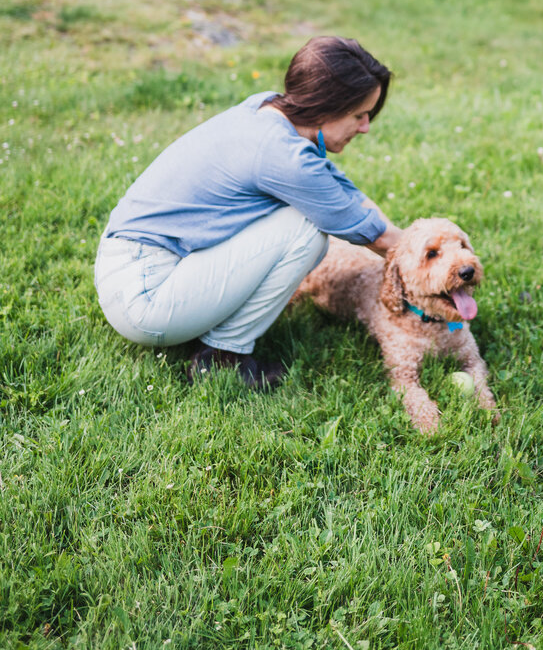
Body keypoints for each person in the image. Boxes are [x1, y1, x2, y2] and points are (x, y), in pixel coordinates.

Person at [94, 36, 400, 388]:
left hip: (128, 268)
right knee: (306, 229)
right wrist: (432, 262)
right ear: (326, 106)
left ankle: (209, 327)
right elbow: (371, 231)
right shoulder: (281, 155)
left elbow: (343, 191)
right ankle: (224, 359)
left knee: (299, 217)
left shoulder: (268, 111)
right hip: (144, 298)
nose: (366, 127)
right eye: (358, 115)